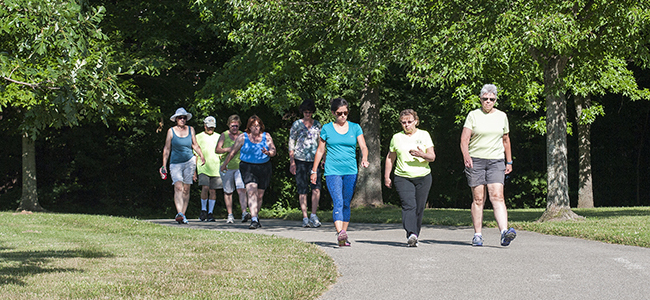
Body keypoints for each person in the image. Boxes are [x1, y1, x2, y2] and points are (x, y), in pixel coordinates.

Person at [460, 84, 516, 247]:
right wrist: (466, 156)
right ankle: (478, 235)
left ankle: (504, 232)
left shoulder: (502, 116)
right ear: (481, 99)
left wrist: (509, 161)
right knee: (478, 198)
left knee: (497, 196)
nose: (488, 102)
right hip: (476, 160)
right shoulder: (473, 115)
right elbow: (464, 140)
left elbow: (506, 140)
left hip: (496, 160)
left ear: (495, 100)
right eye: (485, 99)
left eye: (491, 99)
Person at [311, 98, 369, 247]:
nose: (343, 116)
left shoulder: (355, 127)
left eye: (345, 113)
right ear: (333, 113)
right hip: (332, 170)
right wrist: (314, 171)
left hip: (350, 170)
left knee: (346, 203)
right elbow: (320, 150)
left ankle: (343, 235)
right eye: (339, 113)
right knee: (337, 201)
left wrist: (365, 158)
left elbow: (363, 146)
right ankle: (339, 232)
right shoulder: (327, 128)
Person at [384, 109, 436, 247]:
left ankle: (414, 235)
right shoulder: (396, 137)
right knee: (409, 205)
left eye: (409, 122)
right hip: (403, 176)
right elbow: (390, 157)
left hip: (423, 176)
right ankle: (411, 233)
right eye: (403, 123)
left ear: (416, 121)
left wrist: (422, 155)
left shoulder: (424, 135)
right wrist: (386, 176)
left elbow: (432, 156)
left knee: (419, 208)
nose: (407, 125)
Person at [221, 115, 277, 229]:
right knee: (251, 191)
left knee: (260, 195)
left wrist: (269, 153)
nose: (256, 128)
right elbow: (232, 152)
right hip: (247, 167)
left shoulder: (266, 136)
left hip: (264, 167)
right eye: (253, 126)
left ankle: (255, 215)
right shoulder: (243, 137)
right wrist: (224, 164)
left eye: (258, 125)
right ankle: (254, 219)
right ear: (249, 127)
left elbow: (273, 150)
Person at [160, 107, 205, 224]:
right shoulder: (171, 131)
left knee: (186, 188)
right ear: (176, 119)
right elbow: (167, 148)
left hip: (189, 161)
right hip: (175, 162)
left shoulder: (191, 129)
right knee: (178, 186)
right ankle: (179, 212)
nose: (182, 120)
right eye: (180, 118)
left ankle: (183, 214)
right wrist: (163, 165)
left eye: (184, 118)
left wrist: (201, 155)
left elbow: (195, 145)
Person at [289, 99, 323, 228]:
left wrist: (323, 158)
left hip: (314, 160)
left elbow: (321, 143)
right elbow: (291, 143)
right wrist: (292, 162)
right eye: (305, 112)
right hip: (300, 159)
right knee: (302, 188)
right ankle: (305, 216)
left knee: (316, 188)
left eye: (309, 112)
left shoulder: (317, 125)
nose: (307, 114)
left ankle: (313, 215)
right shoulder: (297, 124)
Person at [216, 115, 250, 223]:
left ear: (239, 125)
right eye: (232, 126)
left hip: (240, 166)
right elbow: (217, 150)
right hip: (227, 167)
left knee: (241, 189)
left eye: (236, 126)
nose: (234, 128)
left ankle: (244, 212)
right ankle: (230, 215)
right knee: (228, 191)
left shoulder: (243, 135)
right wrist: (228, 149)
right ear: (229, 125)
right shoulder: (224, 135)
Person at [195, 116, 222, 222]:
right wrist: (194, 171)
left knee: (213, 190)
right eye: (209, 127)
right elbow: (195, 153)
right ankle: (203, 210)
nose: (211, 129)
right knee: (205, 188)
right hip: (203, 167)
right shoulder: (198, 137)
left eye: (212, 127)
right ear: (204, 126)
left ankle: (210, 212)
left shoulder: (219, 137)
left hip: (216, 167)